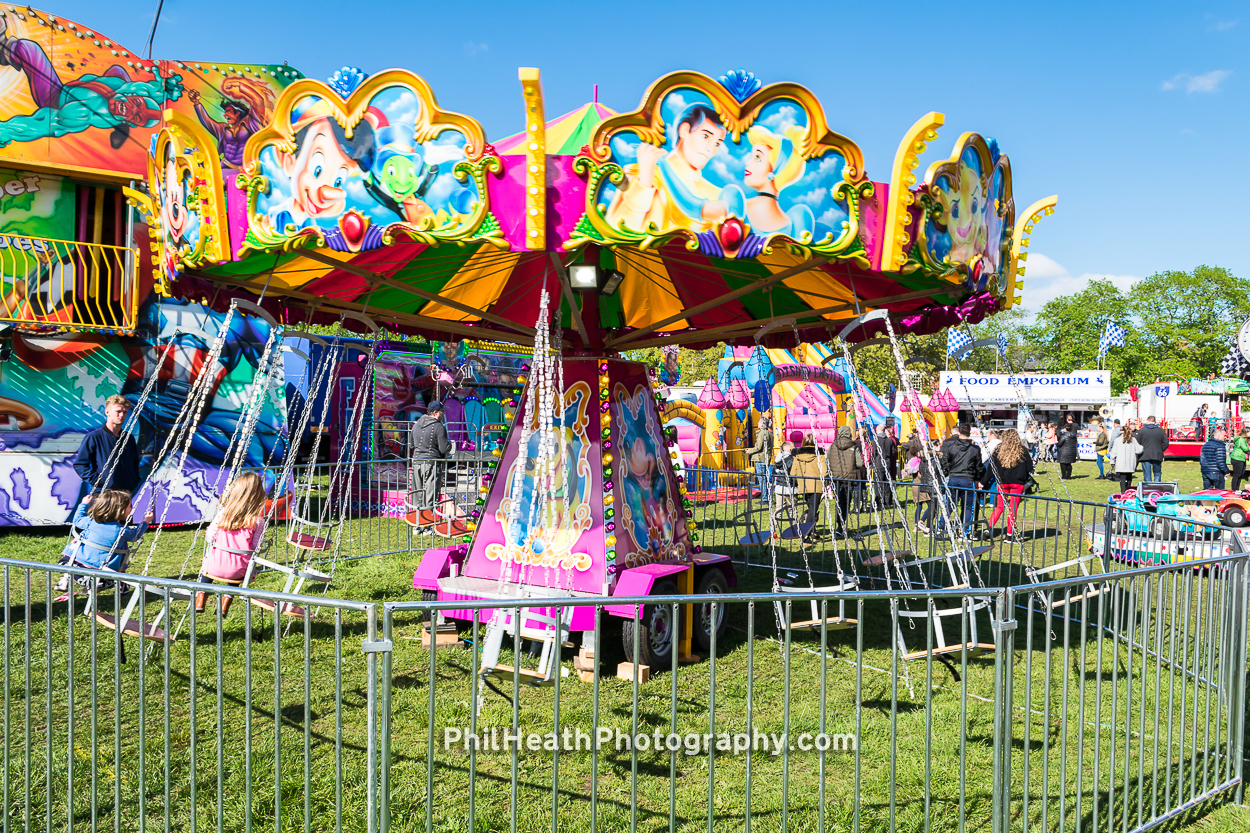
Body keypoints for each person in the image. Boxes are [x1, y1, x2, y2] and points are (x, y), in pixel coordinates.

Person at [605, 103, 739, 234]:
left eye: (717, 143)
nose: (711, 148)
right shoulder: (641, 174)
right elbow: (618, 229)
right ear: (684, 130)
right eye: (705, 136)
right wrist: (645, 182)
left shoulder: (716, 194)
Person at [194, 473, 269, 614]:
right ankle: (225, 602)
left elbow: (210, 536)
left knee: (209, 563)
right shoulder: (258, 521)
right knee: (240, 564)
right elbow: (255, 548)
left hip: (213, 568)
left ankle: (201, 596)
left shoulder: (224, 514)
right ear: (258, 494)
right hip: (237, 572)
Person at [55, 490, 152, 594]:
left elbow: (77, 520)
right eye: (129, 507)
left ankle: (65, 579)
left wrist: (84, 504)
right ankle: (108, 587)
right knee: (121, 556)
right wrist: (145, 522)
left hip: (75, 569)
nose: (131, 509)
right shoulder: (121, 531)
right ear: (120, 510)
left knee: (75, 551)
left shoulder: (90, 522)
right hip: (105, 577)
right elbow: (135, 536)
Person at [72, 394, 141, 504]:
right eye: (118, 411)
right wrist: (99, 481)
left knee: (124, 522)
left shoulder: (129, 438)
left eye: (124, 412)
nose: (121, 415)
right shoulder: (94, 437)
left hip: (125, 495)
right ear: (107, 412)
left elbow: (134, 463)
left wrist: (132, 481)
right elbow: (80, 465)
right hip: (103, 496)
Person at [988, 429, 1033, 541]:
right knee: (1013, 509)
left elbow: (991, 467)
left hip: (1002, 482)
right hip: (1017, 483)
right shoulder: (1023, 450)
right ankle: (1009, 535)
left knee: (999, 507)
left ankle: (988, 528)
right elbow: (1030, 467)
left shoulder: (998, 449)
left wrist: (984, 481)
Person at [411, 400, 452, 521]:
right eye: (442, 411)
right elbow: (444, 448)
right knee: (430, 495)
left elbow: (412, 444)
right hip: (432, 464)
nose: (443, 414)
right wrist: (450, 445)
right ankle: (427, 524)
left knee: (416, 494)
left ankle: (416, 523)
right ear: (435, 413)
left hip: (417, 463)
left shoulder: (416, 424)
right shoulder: (439, 426)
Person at [940, 423, 983, 535]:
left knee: (949, 504)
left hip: (954, 478)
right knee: (968, 506)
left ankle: (941, 526)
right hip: (967, 479)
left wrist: (946, 472)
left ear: (959, 433)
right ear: (969, 433)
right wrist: (977, 478)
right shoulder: (975, 449)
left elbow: (944, 462)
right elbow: (979, 466)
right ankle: (965, 531)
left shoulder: (951, 447)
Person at [826, 425, 864, 535]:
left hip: (836, 478)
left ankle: (838, 524)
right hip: (848, 478)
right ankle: (841, 525)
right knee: (845, 502)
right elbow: (859, 463)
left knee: (838, 500)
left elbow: (827, 460)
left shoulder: (833, 446)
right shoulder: (853, 446)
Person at [788, 434, 824, 541]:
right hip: (816, 484)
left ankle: (813, 531)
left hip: (804, 486)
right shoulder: (819, 455)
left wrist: (800, 481)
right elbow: (825, 471)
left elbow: (793, 473)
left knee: (811, 508)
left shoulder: (797, 456)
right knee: (813, 510)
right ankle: (806, 534)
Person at [748, 411, 774, 504]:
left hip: (760, 459)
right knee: (766, 479)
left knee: (762, 480)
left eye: (759, 422)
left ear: (762, 425)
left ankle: (764, 499)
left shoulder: (762, 433)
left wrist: (749, 451)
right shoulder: (769, 433)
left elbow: (758, 447)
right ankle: (768, 497)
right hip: (766, 458)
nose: (757, 424)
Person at [1134, 415, 1169, 483]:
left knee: (1147, 475)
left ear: (1147, 421)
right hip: (1157, 454)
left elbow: (1137, 442)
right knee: (1157, 473)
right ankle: (1157, 488)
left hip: (1145, 454)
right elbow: (1166, 443)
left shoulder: (1142, 431)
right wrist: (1160, 449)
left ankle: (1149, 489)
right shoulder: (1161, 431)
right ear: (1155, 422)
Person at [1112, 424, 1143, 494]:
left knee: (1122, 478)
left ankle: (1123, 492)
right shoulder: (1133, 440)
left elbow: (1114, 452)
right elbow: (1138, 450)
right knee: (1129, 477)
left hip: (1121, 462)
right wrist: (1142, 447)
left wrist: (1112, 461)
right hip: (1130, 462)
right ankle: (1128, 491)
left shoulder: (1117, 440)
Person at [1200, 426, 1231, 491]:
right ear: (1219, 436)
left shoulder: (1205, 445)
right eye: (1224, 435)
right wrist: (1226, 471)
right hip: (1216, 472)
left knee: (1207, 492)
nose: (1226, 437)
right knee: (1219, 492)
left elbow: (1202, 459)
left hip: (1206, 471)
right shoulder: (1220, 445)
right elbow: (1220, 461)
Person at [1231, 427, 1250, 491]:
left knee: (1241, 474)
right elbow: (1245, 448)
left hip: (1242, 458)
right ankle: (1234, 489)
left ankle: (1237, 489)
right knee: (1237, 474)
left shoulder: (1245, 439)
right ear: (1246, 432)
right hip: (1237, 458)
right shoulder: (1241, 439)